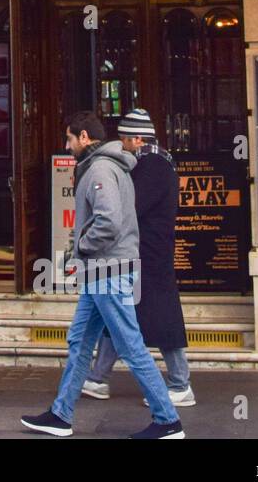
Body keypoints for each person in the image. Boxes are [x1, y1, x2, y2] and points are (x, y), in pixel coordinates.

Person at [21, 111, 185, 439]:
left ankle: (167, 420)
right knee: (80, 342)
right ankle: (60, 415)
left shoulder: (100, 169)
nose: (67, 147)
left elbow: (108, 220)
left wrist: (81, 245)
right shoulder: (112, 166)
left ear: (84, 137)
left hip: (107, 270)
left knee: (131, 345)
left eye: (69, 139)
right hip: (102, 270)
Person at [82, 109, 193, 407]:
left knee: (158, 315)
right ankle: (98, 378)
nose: (120, 144)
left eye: (123, 138)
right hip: (144, 251)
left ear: (137, 139)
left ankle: (180, 383)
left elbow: (130, 206)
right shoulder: (154, 162)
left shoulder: (153, 165)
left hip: (149, 254)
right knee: (120, 312)